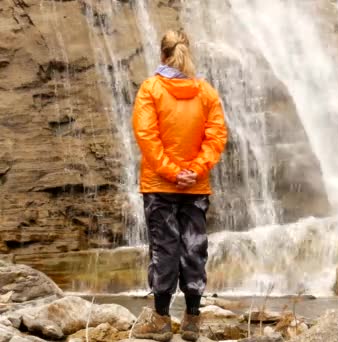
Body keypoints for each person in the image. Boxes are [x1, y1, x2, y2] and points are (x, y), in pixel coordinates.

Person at [131, 30, 228, 342]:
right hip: (196, 187)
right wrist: (195, 170)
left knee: (164, 249)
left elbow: (147, 137)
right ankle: (192, 321)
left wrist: (172, 172)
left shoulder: (151, 89)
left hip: (159, 185)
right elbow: (216, 137)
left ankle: (160, 320)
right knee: (194, 248)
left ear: (163, 55)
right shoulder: (207, 93)